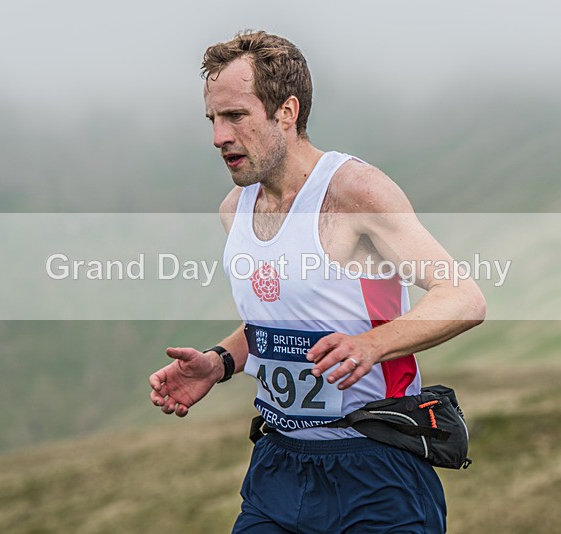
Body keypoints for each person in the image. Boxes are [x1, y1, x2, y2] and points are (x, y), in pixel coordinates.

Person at [149, 30, 486, 533]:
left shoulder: (353, 191)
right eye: (213, 119)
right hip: (277, 467)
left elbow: (462, 297)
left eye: (235, 116)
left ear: (286, 111)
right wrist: (218, 363)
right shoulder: (233, 210)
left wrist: (373, 345)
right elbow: (277, 321)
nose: (218, 137)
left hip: (375, 469)